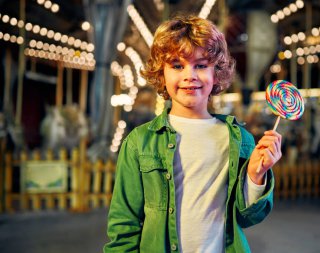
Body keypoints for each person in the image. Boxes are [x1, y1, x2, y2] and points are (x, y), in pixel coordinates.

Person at [104, 14, 282, 253]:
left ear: (216, 72)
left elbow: (246, 217)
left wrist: (255, 175)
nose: (189, 75)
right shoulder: (139, 142)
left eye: (201, 65)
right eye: (177, 65)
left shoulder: (240, 139)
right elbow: (124, 226)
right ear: (161, 72)